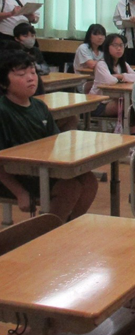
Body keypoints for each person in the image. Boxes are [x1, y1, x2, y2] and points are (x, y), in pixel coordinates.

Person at [0, 50, 98, 221]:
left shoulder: (39, 107)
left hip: (40, 171)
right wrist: (20, 192)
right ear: (3, 83)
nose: (31, 78)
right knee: (70, 187)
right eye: (21, 74)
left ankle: (67, 226)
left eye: (32, 72)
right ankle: (46, 233)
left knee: (89, 180)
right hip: (12, 177)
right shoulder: (3, 111)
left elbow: (55, 143)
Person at [90, 33, 135, 117]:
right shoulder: (101, 64)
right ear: (107, 47)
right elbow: (110, 81)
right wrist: (124, 77)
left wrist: (121, 76)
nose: (119, 48)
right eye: (115, 45)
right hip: (98, 104)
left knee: (134, 102)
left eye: (121, 45)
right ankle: (124, 128)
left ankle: (124, 128)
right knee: (130, 104)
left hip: (115, 100)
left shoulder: (123, 64)